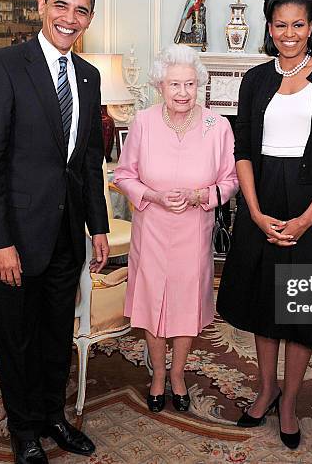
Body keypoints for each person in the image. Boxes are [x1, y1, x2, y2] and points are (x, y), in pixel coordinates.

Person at [0, 0, 109, 464]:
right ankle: (23, 428)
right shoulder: (2, 66)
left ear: (90, 18)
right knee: (17, 336)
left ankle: (52, 415)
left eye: (82, 11)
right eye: (62, 6)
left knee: (55, 335)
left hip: (67, 234)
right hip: (17, 237)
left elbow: (89, 160)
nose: (70, 19)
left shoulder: (89, 77)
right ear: (41, 5)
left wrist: (99, 227)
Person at [216, 0, 312, 450]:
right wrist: (253, 212)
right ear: (269, 27)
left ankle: (289, 402)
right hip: (264, 199)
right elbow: (242, 152)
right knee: (264, 306)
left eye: (299, 24)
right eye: (280, 24)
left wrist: (309, 217)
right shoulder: (255, 79)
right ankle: (265, 389)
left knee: (300, 311)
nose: (289, 33)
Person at [114, 44, 238, 415]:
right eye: (174, 85)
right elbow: (123, 175)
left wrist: (201, 195)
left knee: (185, 304)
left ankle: (179, 375)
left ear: (199, 84)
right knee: (153, 303)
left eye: (189, 84)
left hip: (193, 231)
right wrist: (152, 195)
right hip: (151, 227)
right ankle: (156, 376)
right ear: (160, 86)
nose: (182, 93)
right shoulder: (143, 122)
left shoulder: (219, 126)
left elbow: (230, 181)